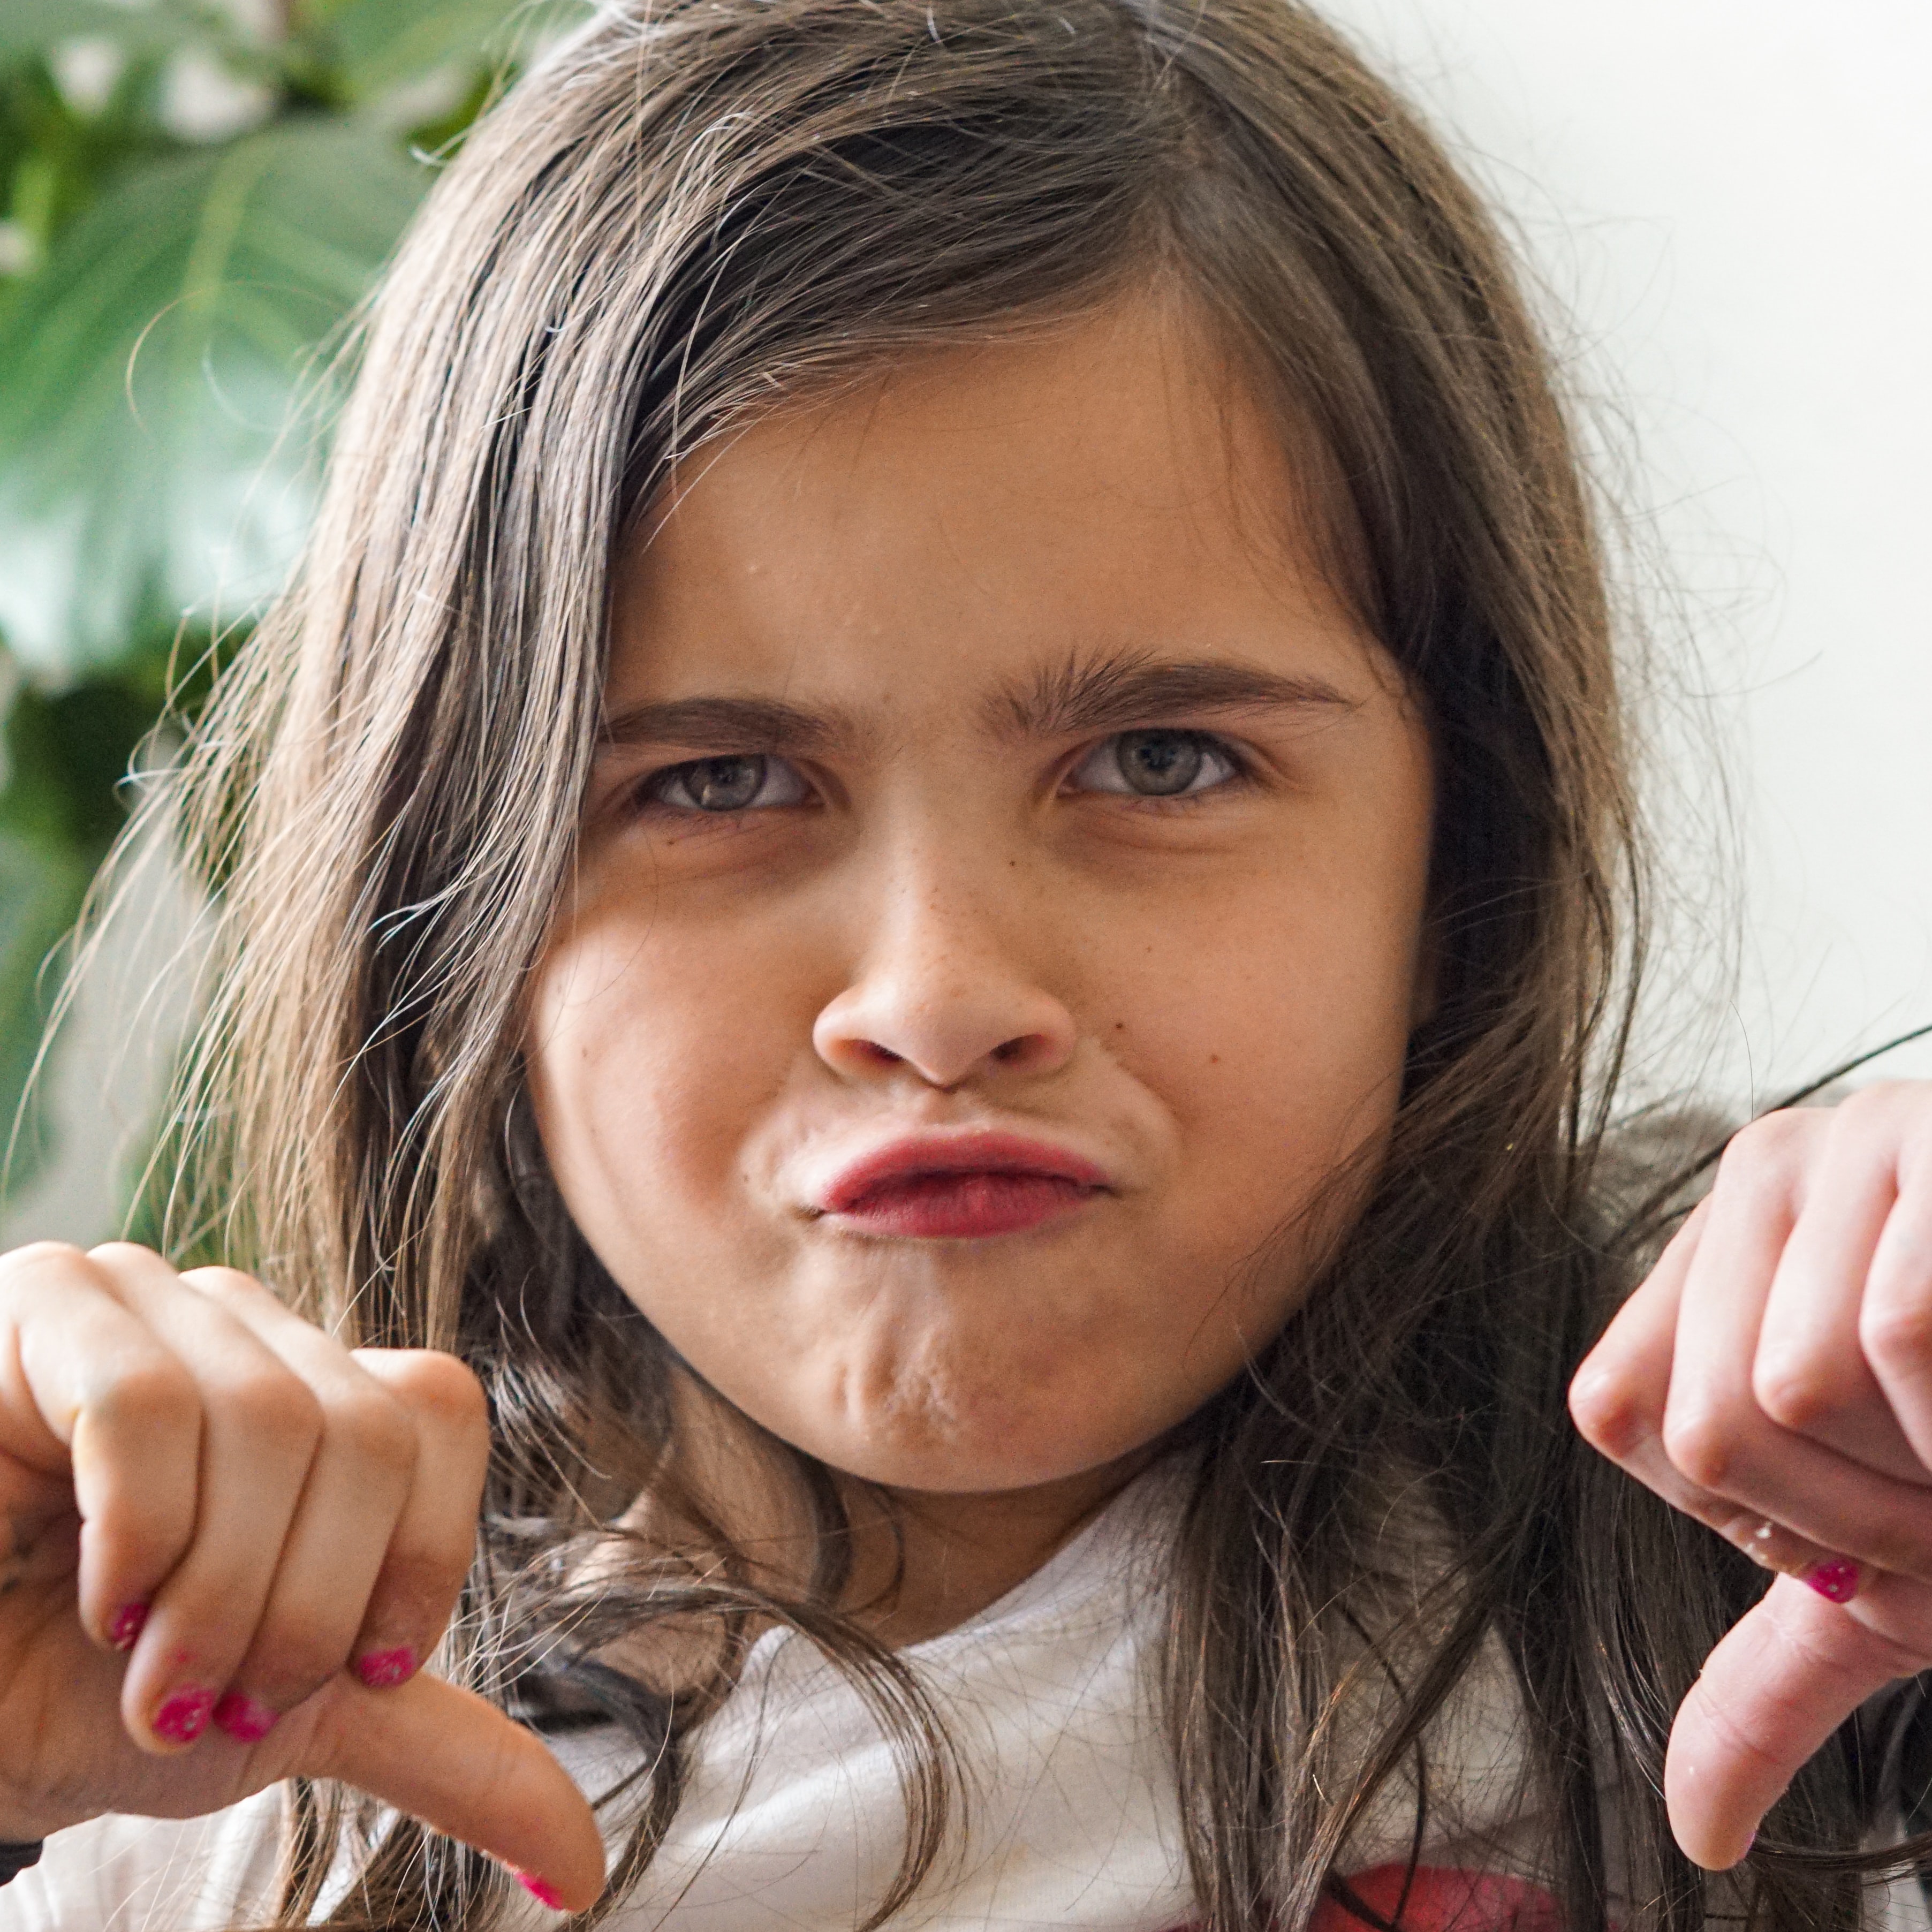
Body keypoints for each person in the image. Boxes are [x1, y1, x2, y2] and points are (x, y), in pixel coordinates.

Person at [0, 1, 1928, 1926]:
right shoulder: (190, 1778)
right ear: (458, 894)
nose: (932, 997)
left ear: (1461, 857)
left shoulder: (1806, 1569)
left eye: (1160, 762)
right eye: (721, 780)